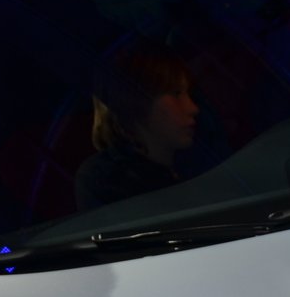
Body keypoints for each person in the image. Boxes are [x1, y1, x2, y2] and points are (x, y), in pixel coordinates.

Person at [76, 39, 203, 210]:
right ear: (135, 101)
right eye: (176, 94)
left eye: (188, 93)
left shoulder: (196, 162)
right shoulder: (107, 179)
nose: (193, 108)